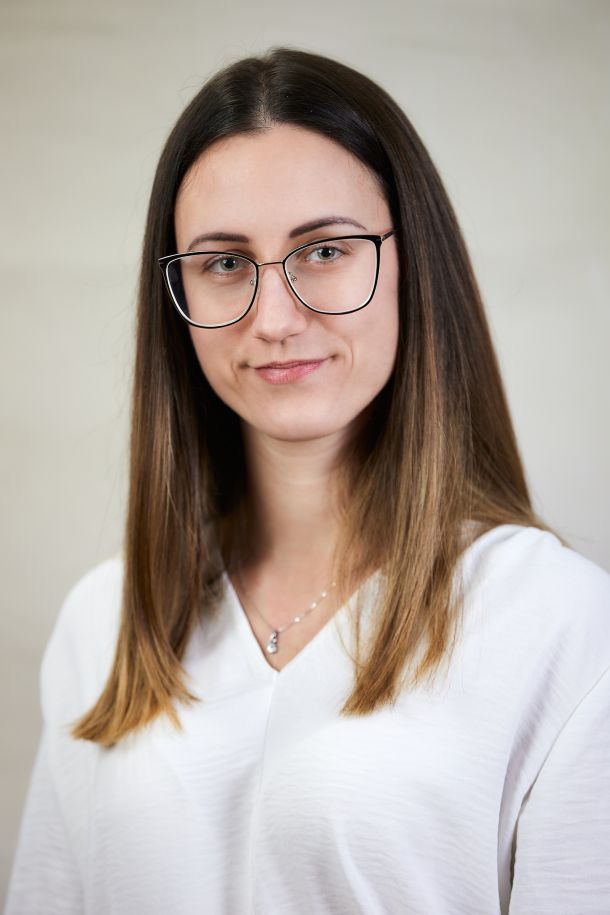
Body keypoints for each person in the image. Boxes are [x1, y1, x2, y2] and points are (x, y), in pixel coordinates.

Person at [5, 47, 610, 915]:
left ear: (413, 263)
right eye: (224, 263)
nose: (275, 318)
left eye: (324, 249)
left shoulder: (557, 620)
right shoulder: (102, 623)